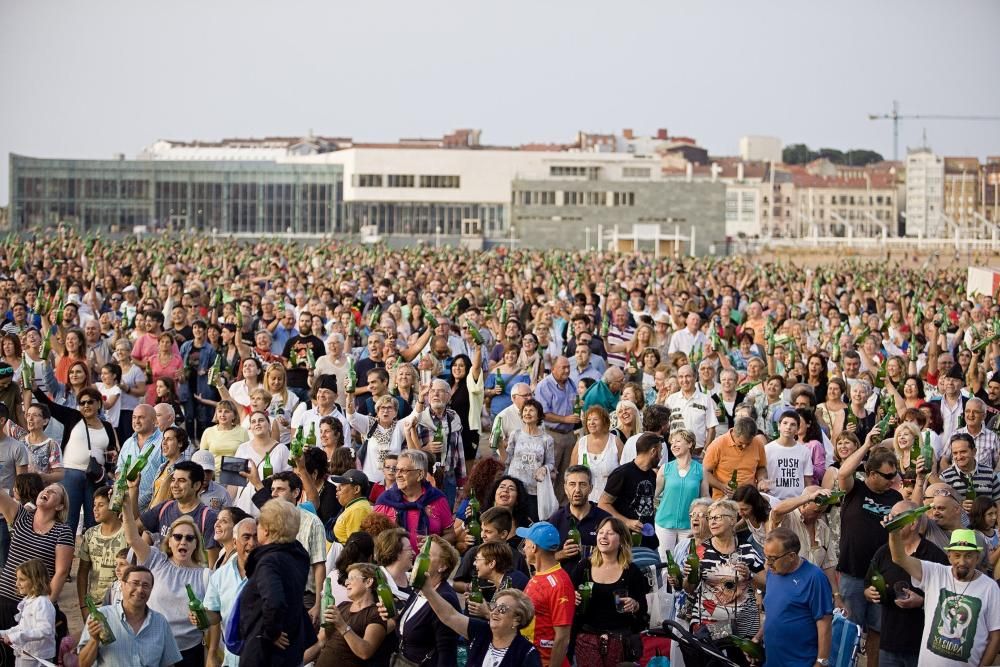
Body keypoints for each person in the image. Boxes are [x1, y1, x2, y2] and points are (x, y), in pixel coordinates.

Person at [121, 475, 209, 667]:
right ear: (169, 541)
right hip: (152, 646)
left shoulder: (205, 575)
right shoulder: (156, 560)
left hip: (188, 652)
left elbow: (212, 618)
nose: (183, 541)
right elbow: (133, 538)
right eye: (177, 537)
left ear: (196, 544)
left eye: (189, 538)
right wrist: (127, 506)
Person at [889, 525, 1000, 666]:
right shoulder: (935, 573)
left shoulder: (990, 587)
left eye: (969, 556)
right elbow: (899, 558)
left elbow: (996, 635)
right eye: (957, 555)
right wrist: (893, 532)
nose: (962, 562)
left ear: (977, 557)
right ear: (949, 556)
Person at [836, 429, 901, 661]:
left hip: (881, 575)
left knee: (878, 631)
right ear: (871, 473)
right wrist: (865, 445)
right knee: (849, 630)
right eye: (887, 476)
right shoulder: (856, 490)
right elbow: (843, 472)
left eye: (894, 475)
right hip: (853, 573)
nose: (892, 480)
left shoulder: (895, 498)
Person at [865, 500, 948, 667]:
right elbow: (867, 583)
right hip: (889, 643)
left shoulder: (934, 555)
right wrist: (869, 592)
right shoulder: (883, 551)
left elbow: (949, 599)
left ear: (912, 523)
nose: (890, 521)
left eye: (896, 518)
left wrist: (923, 602)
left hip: (922, 646)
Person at [238, 498, 317, 667]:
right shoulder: (298, 554)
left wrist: (271, 632)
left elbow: (275, 601)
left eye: (258, 525)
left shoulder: (270, 561)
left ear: (266, 531)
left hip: (265, 653)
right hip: (291, 644)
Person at [0, 483, 73, 665]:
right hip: (4, 597)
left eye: (54, 492)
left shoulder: (62, 531)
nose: (47, 491)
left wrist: (45, 604)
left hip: (32, 606)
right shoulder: (22, 517)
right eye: (46, 488)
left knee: (22, 658)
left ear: (60, 506)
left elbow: (61, 572)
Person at [29, 385, 115, 535]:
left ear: (99, 404)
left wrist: (107, 470)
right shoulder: (73, 417)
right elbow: (51, 406)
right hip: (70, 474)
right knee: (68, 520)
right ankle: (65, 556)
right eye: (82, 403)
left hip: (95, 478)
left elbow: (111, 452)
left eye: (90, 402)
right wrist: (36, 390)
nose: (86, 405)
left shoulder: (107, 426)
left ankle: (87, 557)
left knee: (93, 521)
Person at [413, 568, 541, 667]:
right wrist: (428, 590)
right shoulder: (482, 631)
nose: (494, 612)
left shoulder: (527, 653)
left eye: (502, 609)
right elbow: (449, 616)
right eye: (494, 606)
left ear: (517, 619)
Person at [570, 517, 650, 666]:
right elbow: (566, 596)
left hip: (620, 640)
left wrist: (635, 605)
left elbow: (643, 609)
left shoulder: (632, 571)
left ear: (622, 540)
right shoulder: (584, 566)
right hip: (587, 639)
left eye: (610, 533)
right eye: (601, 532)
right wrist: (571, 597)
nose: (604, 537)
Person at [684, 497, 765, 639]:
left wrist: (749, 575)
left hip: (744, 624)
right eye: (710, 518)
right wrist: (691, 576)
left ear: (733, 520)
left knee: (741, 660)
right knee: (715, 656)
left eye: (718, 517)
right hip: (709, 624)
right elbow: (689, 589)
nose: (712, 522)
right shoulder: (700, 551)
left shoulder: (747, 549)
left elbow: (766, 583)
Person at [377, 535, 461, 667]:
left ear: (442, 566)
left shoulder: (444, 598)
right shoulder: (418, 588)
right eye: (421, 552)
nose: (420, 557)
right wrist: (394, 616)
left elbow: (447, 652)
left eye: (428, 554)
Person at [77, 565, 182, 667]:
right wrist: (94, 640)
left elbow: (168, 663)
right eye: (135, 583)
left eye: (145, 585)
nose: (140, 590)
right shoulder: (102, 617)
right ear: (122, 585)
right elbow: (83, 664)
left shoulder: (160, 622)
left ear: (151, 590)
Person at [760, 527, 833, 667]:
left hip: (801, 662)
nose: (768, 563)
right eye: (766, 557)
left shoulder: (815, 578)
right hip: (772, 661)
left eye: (773, 558)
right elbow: (775, 614)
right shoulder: (772, 572)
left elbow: (825, 623)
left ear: (791, 556)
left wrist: (821, 662)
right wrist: (758, 637)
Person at [305, 562, 389, 667]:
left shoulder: (376, 613)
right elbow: (321, 641)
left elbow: (365, 652)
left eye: (352, 578)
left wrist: (342, 625)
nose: (346, 583)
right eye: (347, 579)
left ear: (368, 582)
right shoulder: (343, 606)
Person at [136, 459, 220, 563]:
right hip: (164, 575)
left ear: (197, 485)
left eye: (181, 481)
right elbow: (135, 528)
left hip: (191, 577)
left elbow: (212, 564)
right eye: (173, 480)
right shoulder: (164, 508)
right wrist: (133, 490)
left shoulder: (207, 517)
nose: (174, 485)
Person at [517, 521, 574, 667]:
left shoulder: (560, 584)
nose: (524, 547)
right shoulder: (539, 575)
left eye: (526, 543)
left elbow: (562, 638)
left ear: (534, 547)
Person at [373, 449, 455, 549]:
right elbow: (373, 537)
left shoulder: (436, 498)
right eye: (397, 470)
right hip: (395, 562)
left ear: (420, 474)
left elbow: (450, 534)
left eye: (403, 471)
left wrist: (434, 542)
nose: (398, 475)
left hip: (429, 561)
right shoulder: (385, 501)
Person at [599, 432, 661, 550]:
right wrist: (627, 522)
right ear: (653, 451)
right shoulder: (622, 473)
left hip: (649, 541)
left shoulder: (652, 475)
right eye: (660, 451)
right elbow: (602, 504)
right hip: (625, 542)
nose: (661, 456)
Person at [654, 428, 709, 558]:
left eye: (678, 441)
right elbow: (653, 494)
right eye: (672, 442)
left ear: (690, 444)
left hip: (689, 525)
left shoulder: (700, 470)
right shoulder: (665, 468)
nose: (673, 445)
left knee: (687, 560)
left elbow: (706, 497)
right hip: (664, 523)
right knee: (665, 563)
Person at [547, 465, 611, 573]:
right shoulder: (555, 520)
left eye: (582, 484)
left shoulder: (605, 520)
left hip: (598, 581)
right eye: (572, 484)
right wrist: (561, 554)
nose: (577, 490)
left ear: (591, 488)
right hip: (564, 584)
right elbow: (542, 559)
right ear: (565, 488)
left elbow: (619, 554)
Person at [536, 356, 582, 501]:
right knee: (551, 472)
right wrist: (565, 419)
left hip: (569, 434)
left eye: (568, 367)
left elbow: (576, 402)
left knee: (566, 473)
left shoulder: (571, 383)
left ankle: (562, 505)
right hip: (552, 434)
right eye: (563, 367)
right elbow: (542, 413)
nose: (567, 370)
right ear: (554, 369)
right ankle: (546, 506)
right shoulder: (544, 386)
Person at [504, 398, 556, 522]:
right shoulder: (515, 434)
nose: (527, 413)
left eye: (531, 410)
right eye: (525, 410)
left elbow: (551, 463)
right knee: (512, 521)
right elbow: (507, 459)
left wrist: (544, 468)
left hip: (534, 490)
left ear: (539, 416)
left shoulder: (546, 439)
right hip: (515, 488)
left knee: (531, 522)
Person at [76, 486, 126, 609]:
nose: (95, 509)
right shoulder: (90, 534)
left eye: (101, 505)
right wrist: (83, 607)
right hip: (95, 606)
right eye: (94, 505)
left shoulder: (127, 535)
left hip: (120, 605)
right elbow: (82, 572)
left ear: (114, 507)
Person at [0, 558, 55, 667]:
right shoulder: (29, 600)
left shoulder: (42, 603)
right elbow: (23, 627)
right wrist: (4, 633)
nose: (17, 583)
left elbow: (45, 630)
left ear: (35, 580)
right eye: (17, 579)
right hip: (26, 654)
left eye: (22, 579)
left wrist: (15, 637)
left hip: (38, 657)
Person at [702, 416, 768, 500]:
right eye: (741, 442)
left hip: (749, 498)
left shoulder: (758, 443)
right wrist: (722, 486)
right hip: (723, 499)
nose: (744, 446)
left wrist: (762, 480)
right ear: (734, 432)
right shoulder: (717, 444)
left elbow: (761, 467)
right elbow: (704, 472)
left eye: (748, 443)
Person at [115, 404, 165, 514]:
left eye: (141, 417)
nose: (136, 421)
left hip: (155, 507)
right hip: (129, 506)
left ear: (154, 420)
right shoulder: (128, 443)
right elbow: (119, 471)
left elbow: (168, 474)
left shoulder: (164, 441)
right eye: (134, 417)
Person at [569, 406, 622, 503]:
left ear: (604, 421)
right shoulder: (581, 443)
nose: (591, 423)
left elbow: (624, 471)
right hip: (585, 502)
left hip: (611, 502)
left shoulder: (615, 442)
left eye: (595, 419)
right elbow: (571, 472)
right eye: (589, 420)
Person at [666, 364, 719, 453]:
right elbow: (665, 427)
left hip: (698, 452)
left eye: (688, 376)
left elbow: (711, 429)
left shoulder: (706, 399)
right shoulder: (671, 400)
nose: (684, 380)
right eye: (681, 377)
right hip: (674, 451)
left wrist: (705, 451)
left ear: (695, 377)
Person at [764, 409, 814, 500]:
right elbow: (763, 475)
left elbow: (808, 481)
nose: (788, 427)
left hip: (797, 501)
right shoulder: (767, 449)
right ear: (779, 426)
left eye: (793, 424)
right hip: (773, 500)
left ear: (797, 429)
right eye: (785, 423)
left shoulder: (804, 451)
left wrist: (807, 500)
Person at [199, 399, 248, 473]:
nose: (222, 414)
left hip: (235, 475)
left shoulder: (243, 431)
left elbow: (247, 455)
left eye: (227, 411)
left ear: (234, 415)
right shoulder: (208, 432)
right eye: (220, 411)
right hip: (213, 476)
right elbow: (202, 457)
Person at [330, 469, 373, 544]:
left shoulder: (358, 510)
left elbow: (355, 546)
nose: (337, 488)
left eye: (342, 484)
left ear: (356, 489)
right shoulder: (355, 506)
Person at [207, 506, 250, 570]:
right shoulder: (222, 552)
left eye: (224, 521)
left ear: (236, 527)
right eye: (217, 519)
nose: (217, 524)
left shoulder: (240, 559)